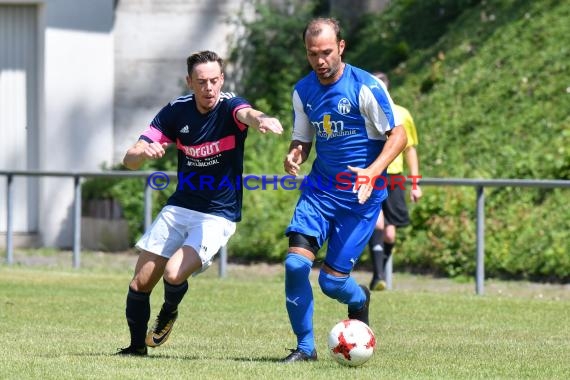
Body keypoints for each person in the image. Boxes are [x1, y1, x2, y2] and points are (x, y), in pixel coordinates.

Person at [117, 50, 283, 356]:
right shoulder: (176, 111)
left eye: (214, 80)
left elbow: (247, 113)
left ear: (222, 79)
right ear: (189, 82)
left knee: (173, 273)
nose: (209, 88)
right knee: (140, 282)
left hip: (217, 214)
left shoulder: (230, 106)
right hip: (180, 206)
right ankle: (136, 348)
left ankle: (168, 312)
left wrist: (262, 118)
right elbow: (130, 159)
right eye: (202, 81)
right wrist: (143, 152)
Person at [281, 18, 407, 363]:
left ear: (340, 47)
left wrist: (372, 172)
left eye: (325, 52)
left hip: (360, 200)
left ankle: (359, 298)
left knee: (332, 284)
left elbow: (398, 136)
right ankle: (305, 348)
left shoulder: (364, 86)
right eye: (312, 54)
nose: (319, 61)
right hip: (319, 193)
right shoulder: (303, 91)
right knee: (295, 265)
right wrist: (295, 154)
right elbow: (303, 139)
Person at [368, 72, 422, 292]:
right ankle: (379, 275)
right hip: (374, 173)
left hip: (395, 177)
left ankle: (377, 271)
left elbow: (410, 150)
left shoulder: (402, 114)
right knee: (378, 224)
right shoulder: (365, 112)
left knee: (390, 233)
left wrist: (416, 183)